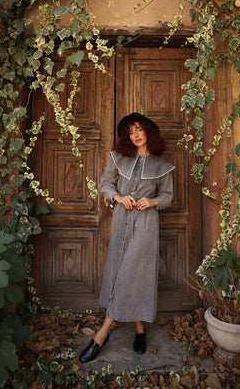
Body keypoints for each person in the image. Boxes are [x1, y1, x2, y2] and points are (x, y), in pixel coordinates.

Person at [79, 112, 174, 363]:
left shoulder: (162, 166)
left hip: (146, 225)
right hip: (121, 221)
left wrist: (152, 200)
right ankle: (140, 329)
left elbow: (167, 196)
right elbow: (106, 184)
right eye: (131, 132)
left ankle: (101, 334)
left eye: (139, 129)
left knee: (134, 272)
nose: (135, 135)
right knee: (122, 271)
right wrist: (118, 197)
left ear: (148, 133)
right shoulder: (117, 158)